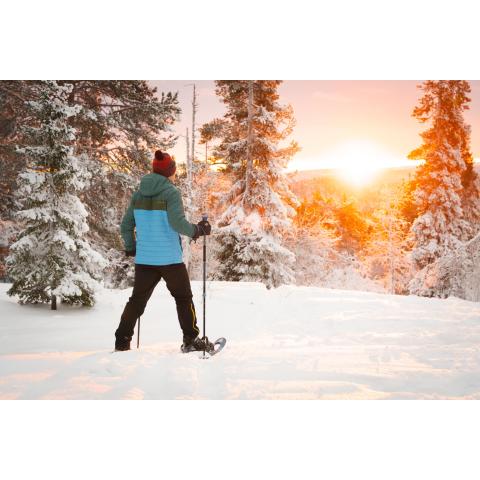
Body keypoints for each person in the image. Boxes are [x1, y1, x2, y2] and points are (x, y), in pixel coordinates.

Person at [114, 149, 212, 352]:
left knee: (137, 301)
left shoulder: (139, 194)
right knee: (183, 298)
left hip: (145, 259)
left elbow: (126, 226)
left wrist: (131, 247)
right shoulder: (171, 193)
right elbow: (177, 223)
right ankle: (191, 339)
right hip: (169, 259)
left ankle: (122, 341)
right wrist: (197, 230)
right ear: (170, 171)